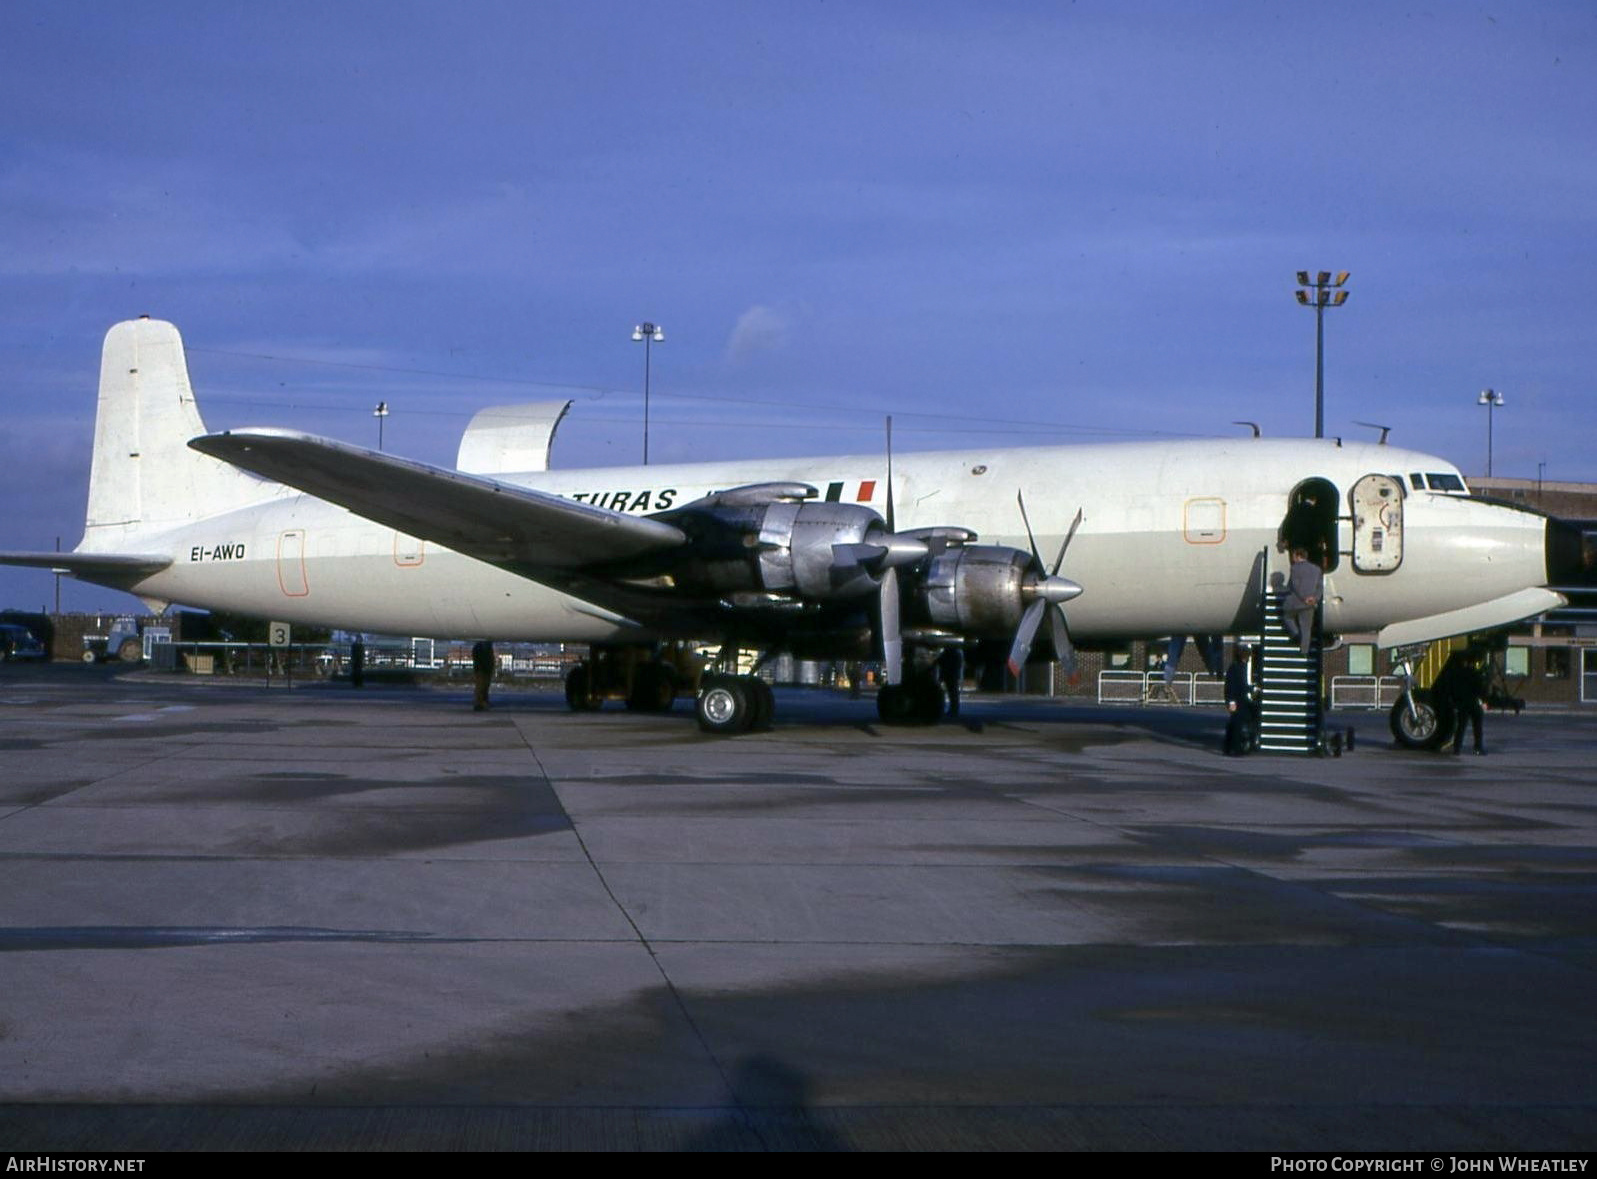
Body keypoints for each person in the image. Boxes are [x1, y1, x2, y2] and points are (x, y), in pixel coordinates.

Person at [1434, 644, 1488, 755]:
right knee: (1477, 727)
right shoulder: (1475, 673)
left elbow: (1452, 689)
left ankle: (1457, 748)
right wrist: (1484, 699)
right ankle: (1478, 747)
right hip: (1473, 702)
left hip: (1462, 703)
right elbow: (1480, 689)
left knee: (1461, 727)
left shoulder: (1456, 674)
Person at [1281, 549, 1323, 655]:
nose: (1292, 558)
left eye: (1293, 556)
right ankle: (1304, 651)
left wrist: (1304, 597)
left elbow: (1295, 585)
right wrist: (1314, 598)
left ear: (1298, 556)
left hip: (1297, 601)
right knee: (1306, 628)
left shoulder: (1295, 568)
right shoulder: (1316, 569)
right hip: (1311, 603)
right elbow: (1320, 586)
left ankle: (1296, 634)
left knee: (1287, 617)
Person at [1223, 644, 1257, 756]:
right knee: (1236, 725)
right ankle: (1235, 748)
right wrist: (1231, 701)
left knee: (1235, 724)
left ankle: (1230, 747)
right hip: (1238, 699)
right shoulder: (1236, 668)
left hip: (1241, 699)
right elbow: (1232, 685)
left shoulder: (1240, 667)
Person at [937, 645, 965, 719]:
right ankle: (954, 709)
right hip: (953, 676)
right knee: (953, 693)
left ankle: (953, 709)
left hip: (949, 675)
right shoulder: (957, 654)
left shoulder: (947, 654)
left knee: (952, 693)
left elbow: (939, 661)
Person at [472, 640, 495, 711]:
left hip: (482, 670)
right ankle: (480, 703)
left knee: (482, 687)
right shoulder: (486, 649)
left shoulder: (479, 648)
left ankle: (481, 702)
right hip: (483, 670)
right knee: (482, 687)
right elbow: (490, 660)